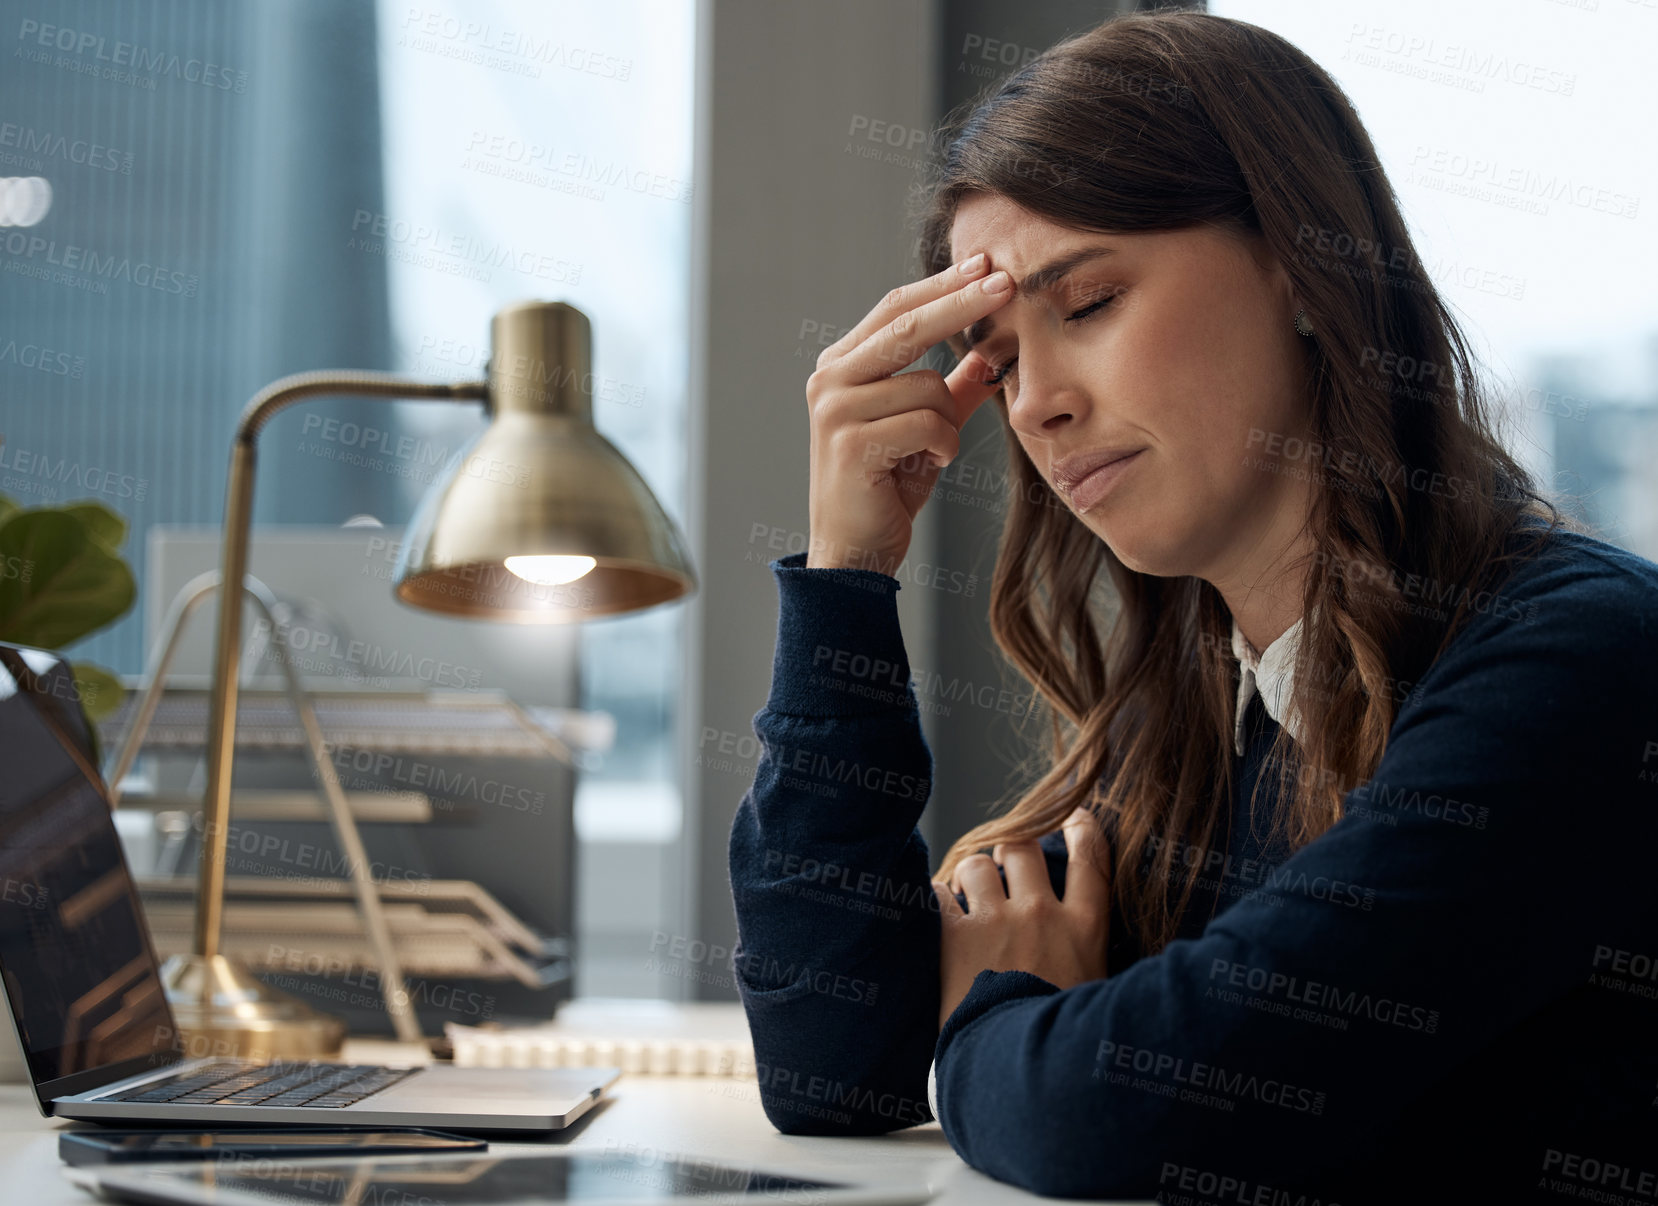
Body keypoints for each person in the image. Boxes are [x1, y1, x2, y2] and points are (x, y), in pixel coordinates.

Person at [726, 10, 1658, 1202]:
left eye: (1089, 303)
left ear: (1301, 269)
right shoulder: (1198, 719)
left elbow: (1121, 1112)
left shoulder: (1578, 664)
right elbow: (832, 1071)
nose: (1034, 407)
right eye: (999, 359)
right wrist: (846, 581)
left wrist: (991, 1018)